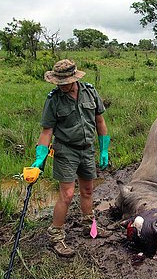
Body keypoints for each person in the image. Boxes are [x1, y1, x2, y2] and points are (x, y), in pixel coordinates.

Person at [32, 59, 112, 257]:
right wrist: (40, 157)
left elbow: (99, 121)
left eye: (66, 81)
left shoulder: (90, 92)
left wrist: (104, 149)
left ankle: (88, 226)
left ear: (74, 78)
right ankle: (56, 236)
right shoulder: (53, 100)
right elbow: (47, 131)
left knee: (87, 190)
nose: (63, 85)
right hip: (65, 150)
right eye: (59, 82)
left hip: (86, 149)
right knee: (67, 194)